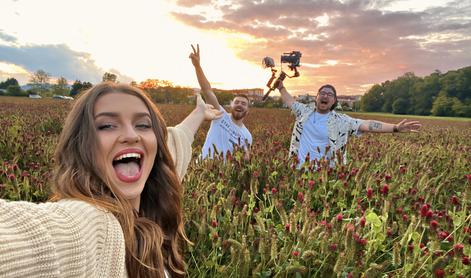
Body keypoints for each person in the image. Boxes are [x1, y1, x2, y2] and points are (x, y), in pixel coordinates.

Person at [0, 82, 222, 277]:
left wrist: (199, 113)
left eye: (143, 125)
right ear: (81, 145)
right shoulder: (89, 226)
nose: (131, 135)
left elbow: (173, 145)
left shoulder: (153, 185)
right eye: (107, 125)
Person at [277, 82, 421, 167]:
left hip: (325, 174)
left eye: (330, 94)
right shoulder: (303, 112)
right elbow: (289, 100)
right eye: (322, 93)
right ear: (316, 98)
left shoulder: (342, 121)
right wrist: (280, 87)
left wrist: (395, 127)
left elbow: (367, 124)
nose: (325, 95)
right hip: (297, 170)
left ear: (334, 101)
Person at [189, 44, 252, 159]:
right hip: (204, 169)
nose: (239, 105)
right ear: (231, 105)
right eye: (237, 102)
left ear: (247, 110)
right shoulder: (220, 115)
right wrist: (197, 66)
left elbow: (244, 161)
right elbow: (207, 91)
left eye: (243, 104)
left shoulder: (247, 136)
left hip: (223, 176)